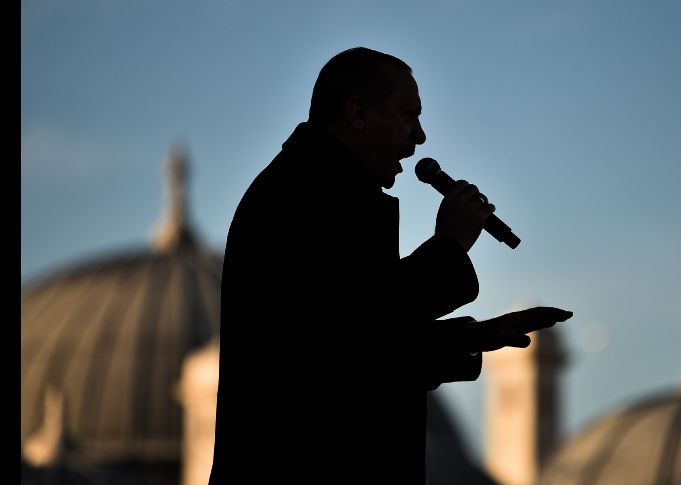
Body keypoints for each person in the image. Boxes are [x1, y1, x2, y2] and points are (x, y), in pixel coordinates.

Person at [208, 47, 572, 484]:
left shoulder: (320, 188)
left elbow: (356, 348)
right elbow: (370, 318)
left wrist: (476, 336)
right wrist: (450, 245)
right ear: (358, 113)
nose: (418, 137)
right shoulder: (306, 194)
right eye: (408, 115)